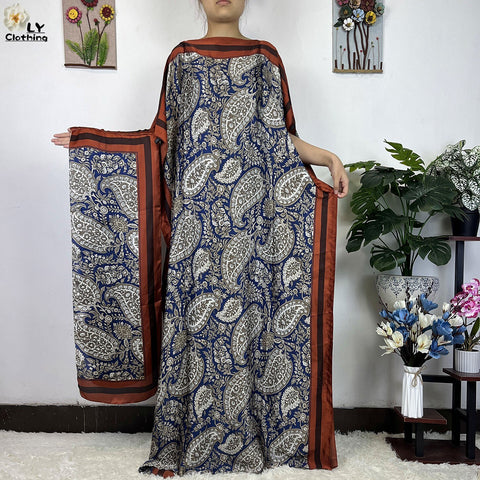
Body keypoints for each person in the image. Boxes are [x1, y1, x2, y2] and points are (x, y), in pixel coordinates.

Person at [53, 0, 348, 476]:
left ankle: (253, 438)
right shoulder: (182, 58)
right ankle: (190, 439)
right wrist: (93, 145)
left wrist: (328, 157)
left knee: (251, 328)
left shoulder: (266, 58)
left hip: (254, 228)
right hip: (197, 230)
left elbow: (280, 140)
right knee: (198, 328)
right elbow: (159, 142)